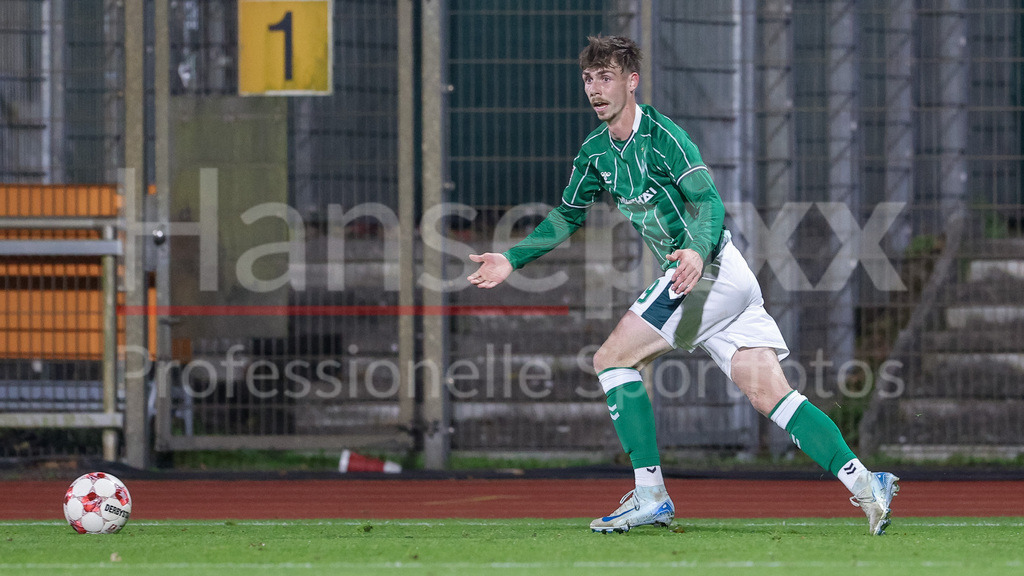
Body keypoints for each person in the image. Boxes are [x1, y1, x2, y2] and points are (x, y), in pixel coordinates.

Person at [467, 35, 898, 535]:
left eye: (606, 77)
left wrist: (693, 249)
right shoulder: (594, 152)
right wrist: (512, 258)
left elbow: (708, 202)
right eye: (588, 79)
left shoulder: (663, 136)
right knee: (771, 395)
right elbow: (566, 215)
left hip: (706, 271)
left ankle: (651, 496)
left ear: (632, 81)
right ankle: (867, 483)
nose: (595, 89)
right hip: (721, 278)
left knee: (611, 360)